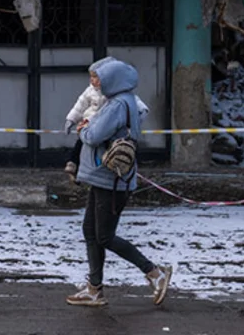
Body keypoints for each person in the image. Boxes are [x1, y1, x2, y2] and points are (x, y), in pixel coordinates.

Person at [66, 57, 173, 308]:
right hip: (103, 178)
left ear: (112, 80)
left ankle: (154, 273)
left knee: (104, 236)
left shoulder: (116, 105)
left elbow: (92, 135)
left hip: (111, 180)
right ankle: (94, 289)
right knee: (90, 232)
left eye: (100, 79)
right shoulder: (121, 101)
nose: (97, 84)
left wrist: (83, 128)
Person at [63, 57, 151, 177]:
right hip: (90, 123)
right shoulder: (91, 91)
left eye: (96, 77)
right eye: (92, 77)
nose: (93, 81)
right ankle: (74, 165)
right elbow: (80, 105)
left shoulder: (117, 101)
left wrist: (136, 120)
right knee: (82, 146)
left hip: (101, 129)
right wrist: (71, 119)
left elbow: (140, 108)